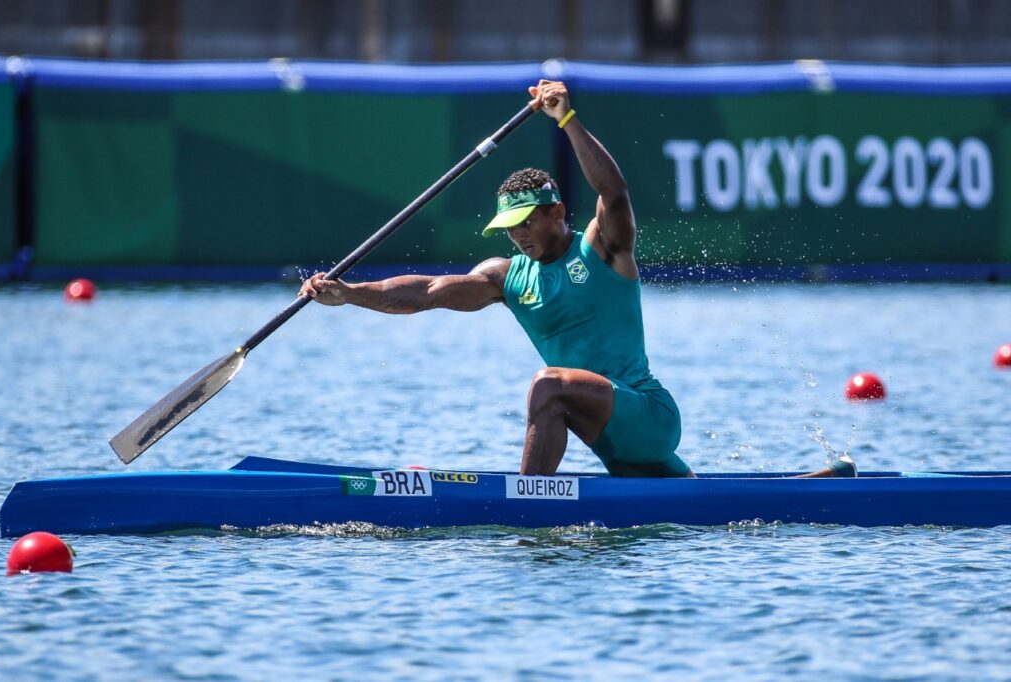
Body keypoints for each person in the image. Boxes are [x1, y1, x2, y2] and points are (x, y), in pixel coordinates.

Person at [300, 79, 854, 480]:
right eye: (506, 227)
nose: (514, 235)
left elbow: (614, 193)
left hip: (647, 413)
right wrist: (350, 295)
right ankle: (815, 486)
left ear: (557, 211)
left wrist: (566, 120)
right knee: (688, 500)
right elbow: (425, 292)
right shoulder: (505, 277)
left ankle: (530, 505)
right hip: (611, 439)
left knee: (548, 384)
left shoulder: (605, 248)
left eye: (523, 222)